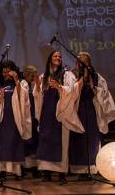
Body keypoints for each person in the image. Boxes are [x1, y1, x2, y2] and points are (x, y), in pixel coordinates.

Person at [68, 52, 115, 178]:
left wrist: (93, 85)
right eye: (80, 61)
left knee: (91, 138)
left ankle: (90, 168)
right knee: (78, 138)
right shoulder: (72, 75)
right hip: (77, 110)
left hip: (91, 109)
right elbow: (69, 90)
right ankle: (78, 170)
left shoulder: (95, 76)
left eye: (85, 61)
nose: (82, 63)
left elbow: (103, 91)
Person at [33, 50, 77, 184]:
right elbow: (38, 95)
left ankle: (62, 174)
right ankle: (46, 173)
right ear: (50, 59)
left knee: (61, 141)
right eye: (55, 56)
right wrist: (37, 85)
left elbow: (72, 90)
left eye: (59, 56)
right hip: (46, 112)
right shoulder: (44, 76)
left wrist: (59, 87)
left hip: (60, 111)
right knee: (46, 141)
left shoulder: (67, 74)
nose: (58, 58)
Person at [0, 61, 32, 180]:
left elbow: (23, 96)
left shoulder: (21, 82)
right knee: (3, 144)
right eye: (4, 71)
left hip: (15, 117)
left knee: (15, 142)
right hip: (3, 117)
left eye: (8, 71)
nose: (6, 74)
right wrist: (0, 98)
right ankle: (2, 172)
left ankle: (17, 171)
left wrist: (16, 81)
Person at [22, 66, 41, 178]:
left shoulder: (36, 85)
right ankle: (24, 167)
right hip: (26, 117)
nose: (32, 76)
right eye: (29, 73)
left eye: (34, 73)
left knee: (35, 142)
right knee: (26, 142)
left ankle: (35, 168)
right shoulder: (22, 84)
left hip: (35, 117)